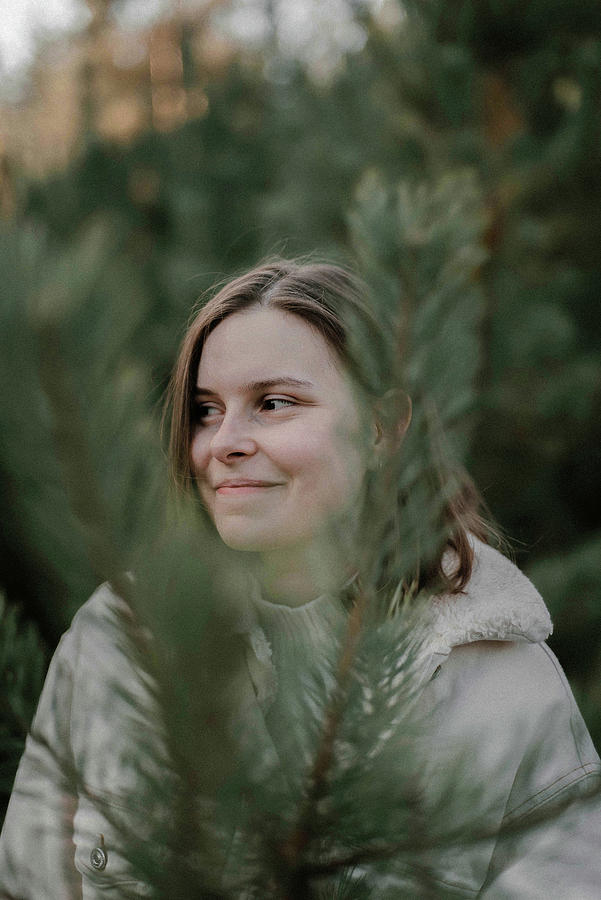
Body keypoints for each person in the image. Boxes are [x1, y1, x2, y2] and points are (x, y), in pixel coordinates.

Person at [1, 259, 600, 897]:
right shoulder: (117, 641)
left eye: (273, 403)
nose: (223, 441)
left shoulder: (498, 682)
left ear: (382, 429)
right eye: (206, 410)